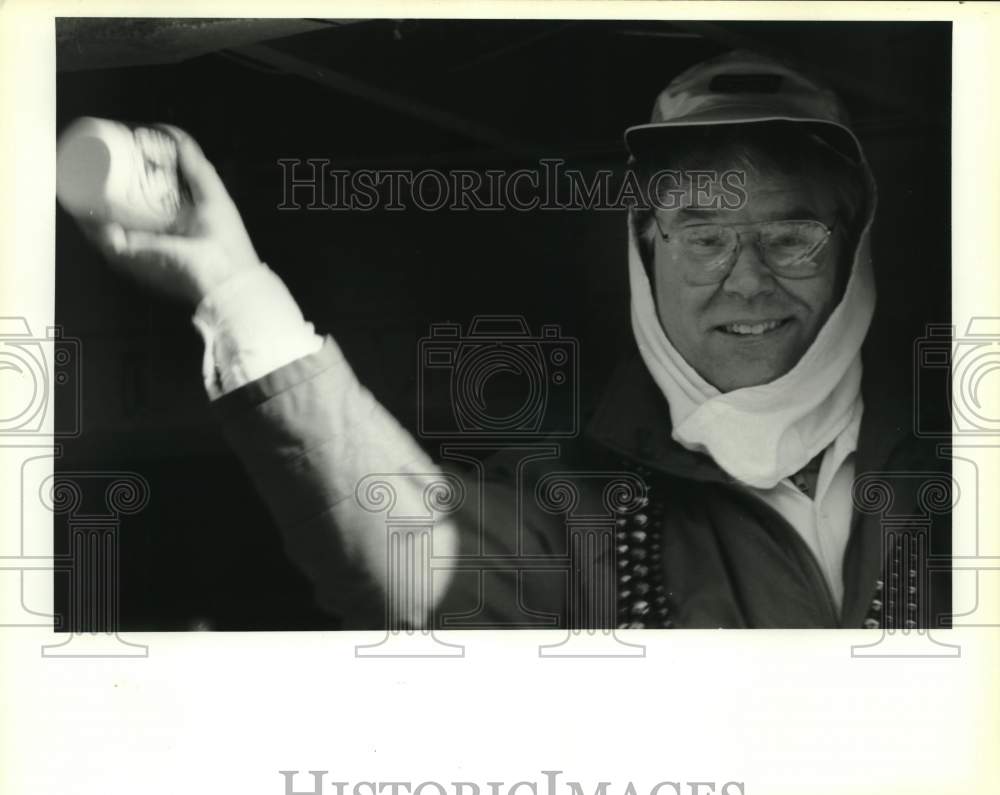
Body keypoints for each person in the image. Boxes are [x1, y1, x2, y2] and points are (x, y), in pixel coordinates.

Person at [79, 50, 951, 630]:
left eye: (792, 235)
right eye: (705, 236)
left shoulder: (959, 460)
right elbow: (411, 553)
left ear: (855, 250)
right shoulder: (572, 504)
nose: (749, 279)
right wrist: (234, 287)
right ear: (647, 253)